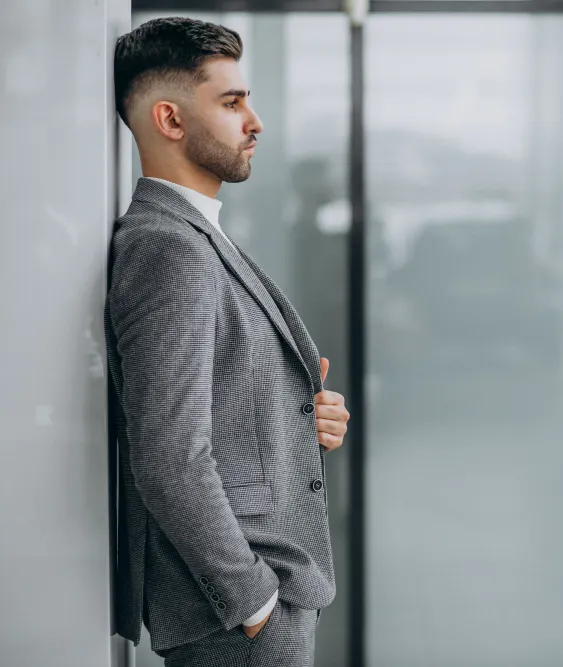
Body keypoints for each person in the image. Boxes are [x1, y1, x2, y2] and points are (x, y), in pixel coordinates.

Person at [105, 17, 349, 666]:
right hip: (237, 614)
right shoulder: (166, 247)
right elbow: (171, 454)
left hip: (269, 592)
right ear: (171, 120)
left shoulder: (195, 234)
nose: (255, 121)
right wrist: (252, 604)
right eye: (232, 102)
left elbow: (216, 403)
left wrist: (301, 416)